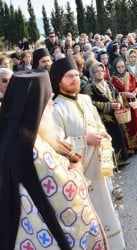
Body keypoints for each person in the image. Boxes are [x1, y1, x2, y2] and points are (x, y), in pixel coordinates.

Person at [0, 70, 108, 249]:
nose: (51, 103)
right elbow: (67, 192)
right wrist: (77, 171)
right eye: (48, 99)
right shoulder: (34, 147)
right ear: (36, 105)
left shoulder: (6, 135)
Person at [50, 57, 126, 249]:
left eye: (76, 75)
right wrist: (85, 140)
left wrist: (104, 135)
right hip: (84, 175)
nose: (75, 79)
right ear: (58, 80)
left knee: (109, 210)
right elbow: (56, 145)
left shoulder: (85, 99)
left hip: (101, 168)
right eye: (69, 76)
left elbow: (98, 125)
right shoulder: (56, 109)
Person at [84, 62, 130, 167]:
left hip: (115, 116)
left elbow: (117, 94)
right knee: (108, 140)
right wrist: (109, 106)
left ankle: (122, 159)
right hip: (102, 119)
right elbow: (90, 103)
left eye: (102, 71)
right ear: (92, 73)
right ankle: (111, 163)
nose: (100, 73)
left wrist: (118, 103)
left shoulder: (108, 83)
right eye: (97, 72)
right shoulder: (90, 87)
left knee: (119, 136)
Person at [110, 57, 137, 155]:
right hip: (123, 107)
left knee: (136, 123)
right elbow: (112, 94)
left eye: (123, 66)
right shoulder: (112, 80)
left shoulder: (130, 75)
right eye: (118, 67)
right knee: (126, 126)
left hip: (134, 104)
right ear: (115, 68)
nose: (121, 69)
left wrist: (136, 92)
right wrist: (124, 94)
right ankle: (129, 148)